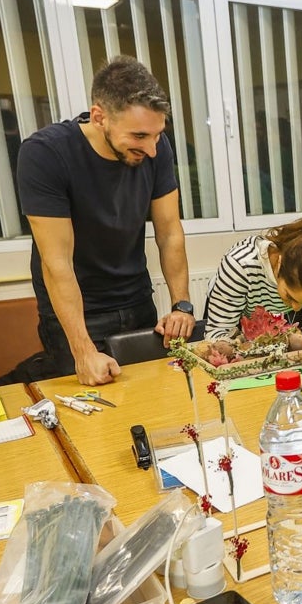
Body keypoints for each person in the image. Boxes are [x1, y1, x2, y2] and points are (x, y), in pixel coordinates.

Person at [18, 56, 196, 386]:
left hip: (136, 300)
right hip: (77, 314)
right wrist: (83, 351)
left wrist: (181, 305)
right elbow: (56, 262)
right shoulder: (45, 153)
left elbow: (170, 232)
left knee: (150, 398)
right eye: (140, 135)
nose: (152, 149)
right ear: (100, 117)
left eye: (157, 135)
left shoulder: (156, 148)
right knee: (96, 417)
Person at [204, 214, 302, 340]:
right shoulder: (240, 266)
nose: (296, 307)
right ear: (280, 263)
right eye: (290, 296)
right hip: (233, 317)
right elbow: (217, 334)